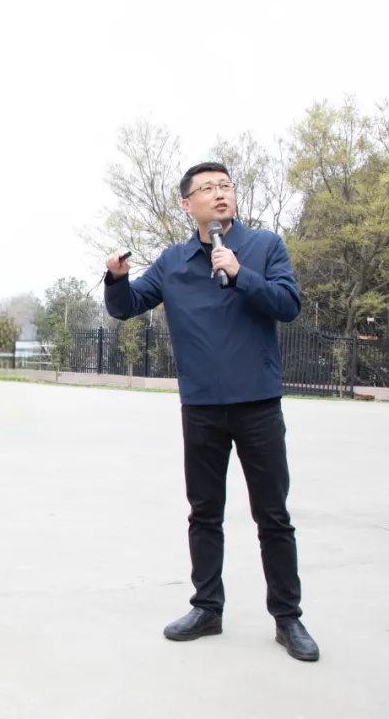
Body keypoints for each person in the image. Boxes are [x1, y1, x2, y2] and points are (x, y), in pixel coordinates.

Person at [103, 161, 319, 662]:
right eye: (207, 189)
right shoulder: (172, 261)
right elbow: (126, 306)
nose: (219, 194)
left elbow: (288, 305)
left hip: (257, 403)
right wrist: (116, 278)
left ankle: (288, 618)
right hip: (201, 406)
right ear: (187, 204)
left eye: (225, 186)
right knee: (204, 514)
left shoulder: (264, 246)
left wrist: (241, 274)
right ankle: (207, 609)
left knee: (273, 516)